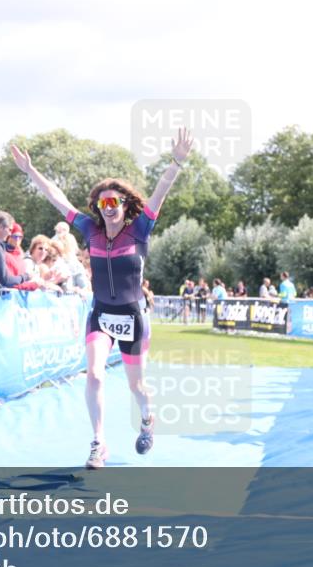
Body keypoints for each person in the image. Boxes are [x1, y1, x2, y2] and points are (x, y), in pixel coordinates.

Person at [11, 127, 193, 468]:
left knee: (137, 387)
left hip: (133, 318)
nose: (108, 208)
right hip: (101, 315)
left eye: (115, 202)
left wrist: (176, 163)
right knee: (93, 374)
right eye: (103, 203)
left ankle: (147, 418)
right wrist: (30, 171)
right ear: (98, 207)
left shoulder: (139, 229)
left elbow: (160, 192)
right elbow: (57, 198)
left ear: (125, 205)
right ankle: (98, 443)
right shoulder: (89, 230)